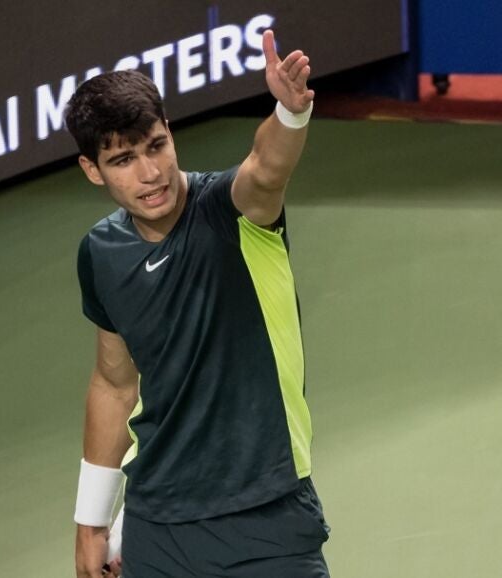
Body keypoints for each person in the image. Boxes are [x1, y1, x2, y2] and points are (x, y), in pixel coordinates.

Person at [67, 30, 330, 578]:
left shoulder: (231, 212)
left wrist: (290, 113)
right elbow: (114, 383)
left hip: (266, 518)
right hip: (157, 526)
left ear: (170, 133)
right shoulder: (101, 253)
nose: (150, 173)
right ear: (93, 170)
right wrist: (91, 522)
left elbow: (265, 169)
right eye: (123, 159)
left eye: (156, 146)